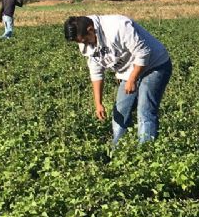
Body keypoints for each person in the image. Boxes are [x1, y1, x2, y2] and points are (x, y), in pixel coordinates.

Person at [64, 15, 172, 144]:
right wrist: (98, 103)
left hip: (155, 65)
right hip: (129, 70)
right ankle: (118, 151)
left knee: (145, 111)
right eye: (81, 42)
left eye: (86, 41)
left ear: (91, 29)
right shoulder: (84, 39)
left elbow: (143, 53)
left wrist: (132, 79)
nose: (85, 45)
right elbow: (96, 71)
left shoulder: (118, 27)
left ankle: (146, 152)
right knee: (120, 112)